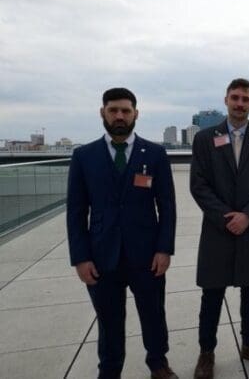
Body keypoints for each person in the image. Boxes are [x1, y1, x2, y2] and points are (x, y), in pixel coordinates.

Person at [67, 87, 177, 379]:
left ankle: (158, 363)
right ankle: (110, 370)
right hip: (101, 256)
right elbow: (76, 212)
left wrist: (164, 249)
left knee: (154, 314)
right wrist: (80, 258)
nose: (119, 116)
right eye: (113, 110)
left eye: (125, 111)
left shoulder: (155, 154)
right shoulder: (84, 156)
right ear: (102, 113)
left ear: (135, 114)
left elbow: (167, 206)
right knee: (109, 320)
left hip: (147, 255)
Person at [190, 78, 249, 378]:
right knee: (212, 293)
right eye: (235, 98)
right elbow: (198, 185)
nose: (240, 104)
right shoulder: (205, 139)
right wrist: (226, 217)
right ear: (226, 100)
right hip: (218, 228)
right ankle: (206, 352)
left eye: (245, 99)